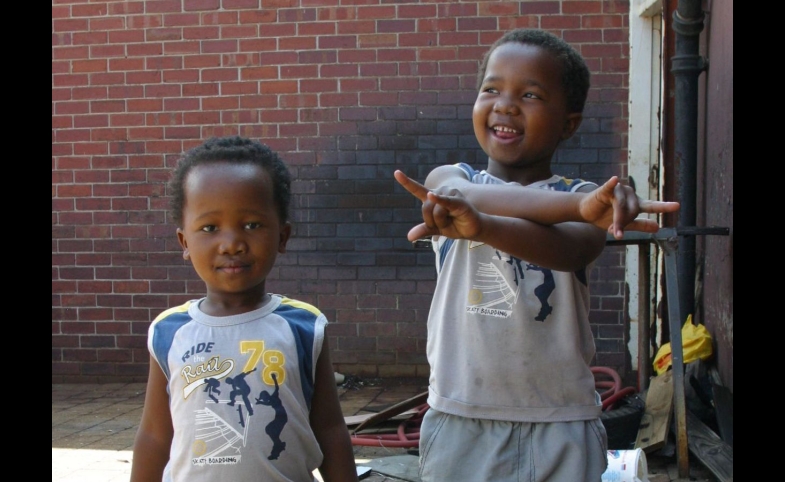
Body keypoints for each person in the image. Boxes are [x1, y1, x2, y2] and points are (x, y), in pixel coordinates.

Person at [393, 28, 680, 482]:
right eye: (492, 89)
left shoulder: (587, 200)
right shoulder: (451, 180)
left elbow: (568, 250)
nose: (505, 104)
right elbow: (467, 196)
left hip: (561, 421)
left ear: (568, 122)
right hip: (463, 417)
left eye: (529, 94)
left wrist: (575, 210)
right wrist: (576, 209)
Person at [130, 136, 358, 482]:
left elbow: (329, 430)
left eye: (251, 225)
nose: (231, 243)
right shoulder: (170, 331)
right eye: (209, 228)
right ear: (185, 242)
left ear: (282, 236)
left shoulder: (303, 326)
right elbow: (155, 436)